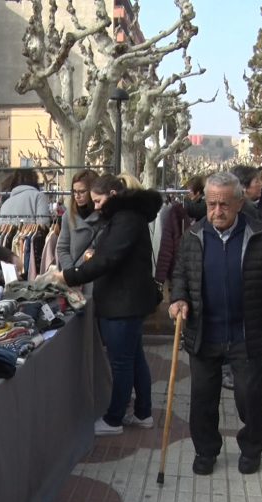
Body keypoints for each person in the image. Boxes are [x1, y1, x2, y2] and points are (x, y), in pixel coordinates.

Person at [168, 172, 262, 475]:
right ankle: (205, 451)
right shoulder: (193, 235)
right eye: (211, 204)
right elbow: (180, 274)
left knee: (249, 396)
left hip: (246, 332)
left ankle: (251, 448)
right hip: (203, 333)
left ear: (238, 203)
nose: (216, 211)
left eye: (223, 204)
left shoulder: (261, 235)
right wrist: (178, 299)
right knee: (203, 398)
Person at [54, 175, 162, 436]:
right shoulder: (128, 216)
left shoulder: (125, 219)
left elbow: (108, 259)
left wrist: (70, 276)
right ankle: (142, 411)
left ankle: (114, 418)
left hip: (122, 303)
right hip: (126, 300)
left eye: (99, 200)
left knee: (122, 362)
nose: (97, 207)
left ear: (113, 194)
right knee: (133, 358)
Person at [56, 169, 103, 272]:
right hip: (77, 279)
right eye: (74, 192)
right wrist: (71, 273)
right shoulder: (68, 215)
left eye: (82, 192)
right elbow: (62, 248)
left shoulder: (104, 215)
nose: (77, 196)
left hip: (98, 278)